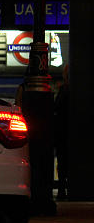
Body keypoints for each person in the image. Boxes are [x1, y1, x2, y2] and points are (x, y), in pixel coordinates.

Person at [54, 64, 69, 200]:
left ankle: (62, 189)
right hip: (67, 131)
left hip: (62, 131)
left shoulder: (64, 91)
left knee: (62, 161)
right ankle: (63, 189)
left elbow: (57, 108)